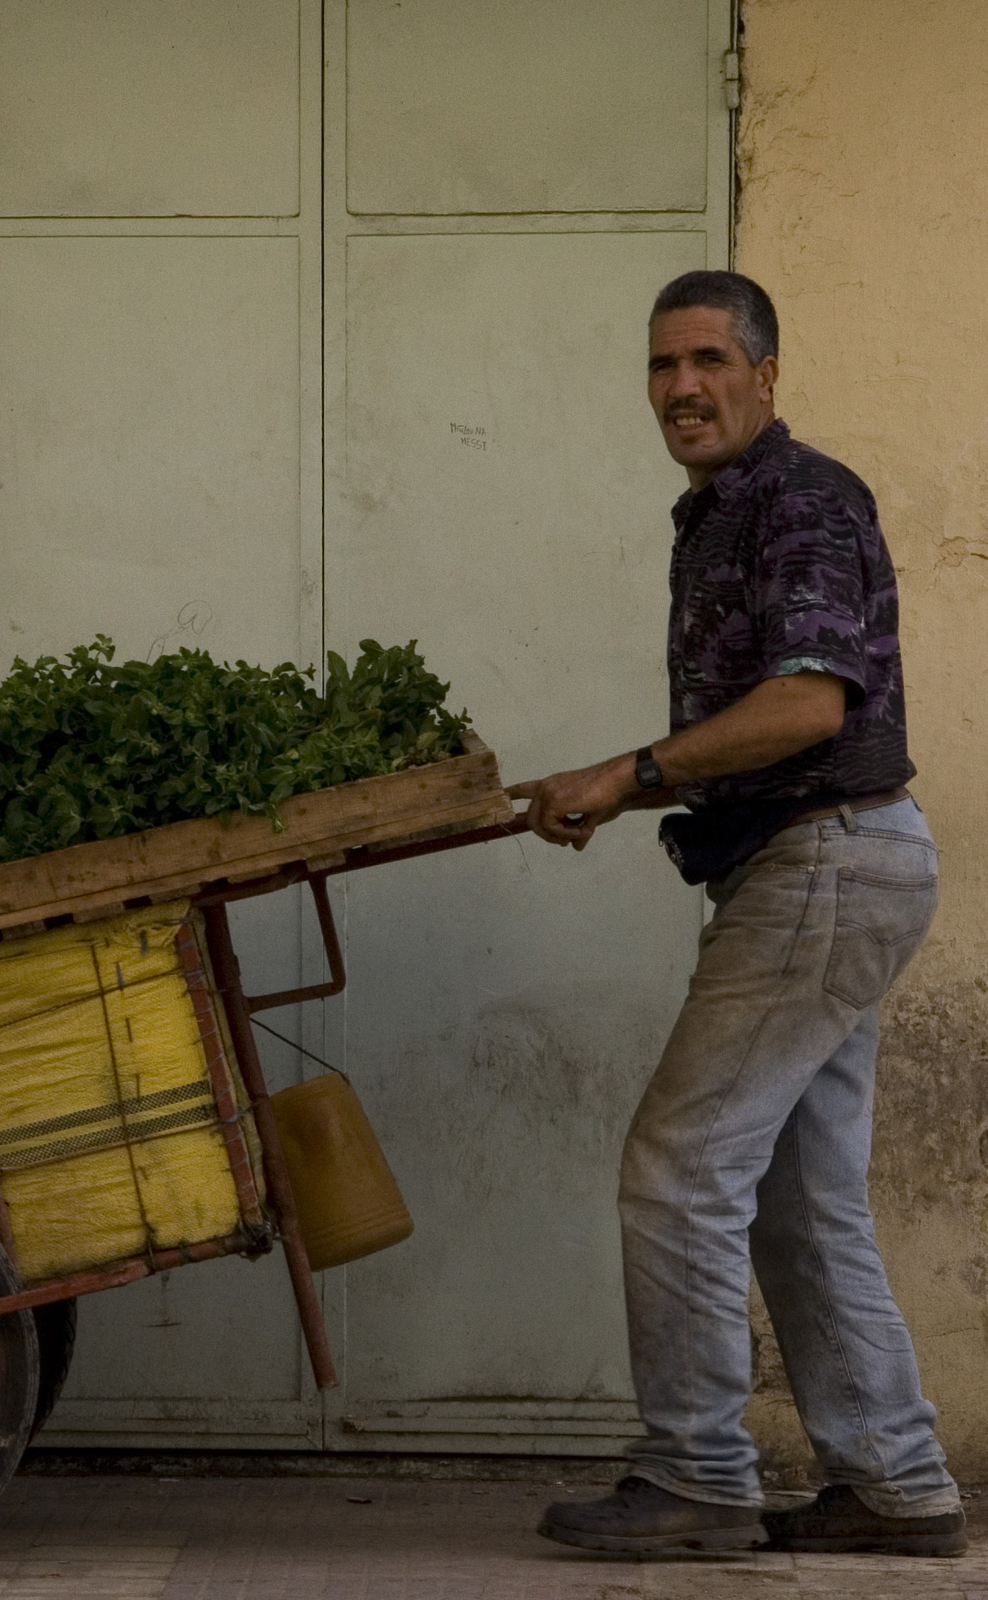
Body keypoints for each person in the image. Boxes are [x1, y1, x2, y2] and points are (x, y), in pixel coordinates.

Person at [510, 270, 966, 1559]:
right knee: (799, 1198)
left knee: (681, 1167)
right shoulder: (719, 511)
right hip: (832, 863)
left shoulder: (801, 499)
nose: (682, 389)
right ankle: (896, 1486)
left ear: (767, 374)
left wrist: (629, 772)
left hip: (823, 860)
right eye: (662, 367)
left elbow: (811, 705)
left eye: (709, 360)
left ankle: (698, 1474)